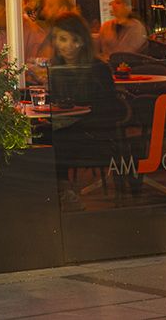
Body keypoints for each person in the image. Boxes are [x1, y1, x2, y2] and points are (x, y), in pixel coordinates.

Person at [42, 15, 126, 208]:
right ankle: (59, 190)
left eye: (70, 40)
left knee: (56, 137)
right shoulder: (56, 67)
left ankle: (63, 190)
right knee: (41, 134)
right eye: (60, 39)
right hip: (70, 128)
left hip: (96, 132)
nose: (64, 45)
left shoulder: (97, 68)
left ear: (81, 41)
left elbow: (107, 109)